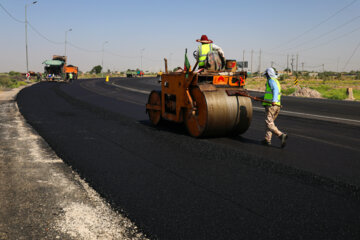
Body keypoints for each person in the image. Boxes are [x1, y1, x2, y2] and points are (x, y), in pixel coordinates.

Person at [261, 67, 288, 148]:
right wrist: (261, 98)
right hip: (277, 106)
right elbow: (270, 93)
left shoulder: (271, 80)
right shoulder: (276, 81)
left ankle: (281, 135)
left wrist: (274, 100)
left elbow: (275, 90)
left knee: (269, 123)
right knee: (270, 123)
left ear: (268, 74)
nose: (266, 76)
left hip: (271, 106)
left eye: (266, 75)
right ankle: (267, 140)